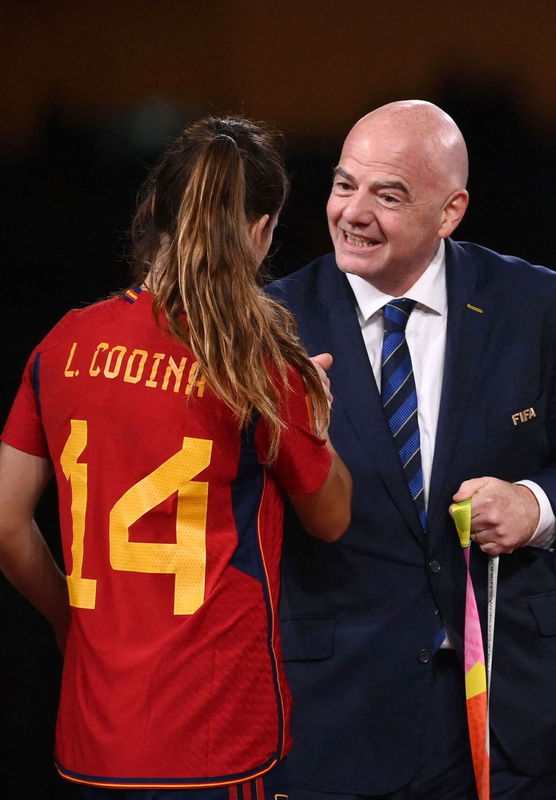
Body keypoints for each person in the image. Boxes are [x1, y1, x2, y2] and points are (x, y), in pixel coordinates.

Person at [266, 100, 556, 800]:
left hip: (507, 714)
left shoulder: (533, 302)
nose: (353, 212)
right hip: (336, 714)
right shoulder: (271, 321)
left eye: (389, 195)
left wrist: (535, 506)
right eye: (344, 185)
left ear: (451, 211)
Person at [0, 116, 352, 797]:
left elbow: (7, 522)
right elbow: (331, 516)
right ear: (259, 232)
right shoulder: (256, 365)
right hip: (218, 743)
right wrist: (318, 416)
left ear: (154, 208)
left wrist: (65, 621)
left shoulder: (65, 342)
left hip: (93, 741)